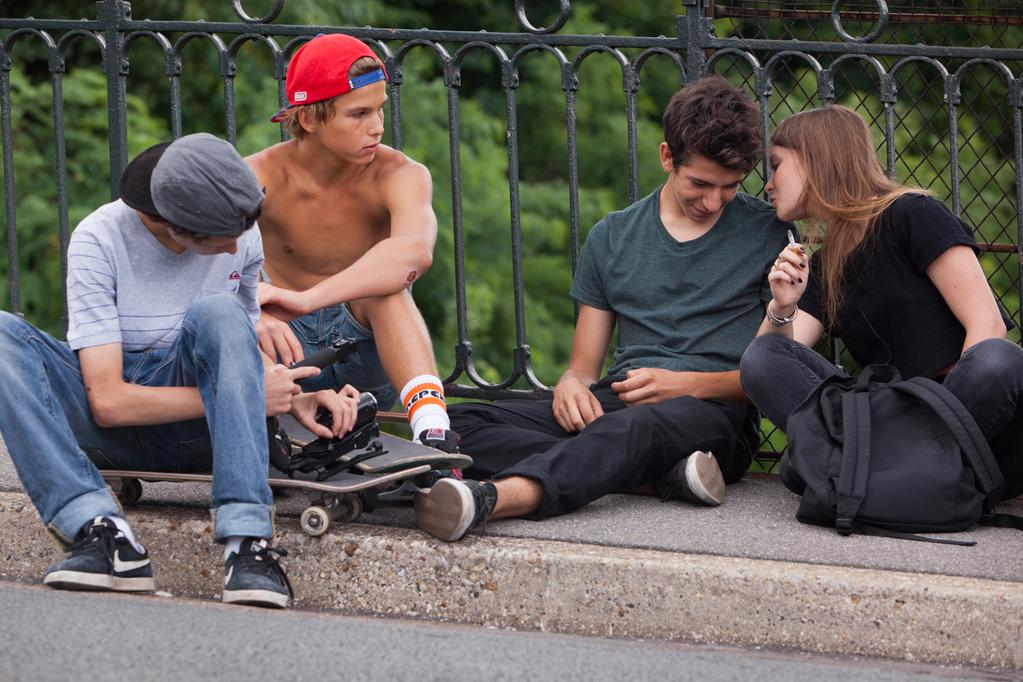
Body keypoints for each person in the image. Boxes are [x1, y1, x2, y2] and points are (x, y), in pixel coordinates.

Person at [414, 76, 794, 542]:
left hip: (714, 417)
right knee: (456, 422)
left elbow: (771, 381)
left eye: (730, 187)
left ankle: (496, 498)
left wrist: (683, 385)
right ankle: (654, 478)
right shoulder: (612, 236)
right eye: (700, 183)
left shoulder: (769, 236)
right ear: (667, 158)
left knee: (636, 429)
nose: (713, 202)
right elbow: (581, 369)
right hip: (619, 403)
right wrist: (571, 388)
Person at [0, 133, 362, 608]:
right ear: (172, 227)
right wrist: (251, 394)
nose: (237, 250)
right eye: (221, 240)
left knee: (219, 312)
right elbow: (107, 401)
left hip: (200, 435)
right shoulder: (99, 239)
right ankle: (98, 532)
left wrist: (293, 395)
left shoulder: (242, 232)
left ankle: (247, 546)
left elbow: (235, 344)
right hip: (108, 428)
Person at [739, 104, 1023, 501]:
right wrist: (782, 306)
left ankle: (865, 476)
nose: (767, 184)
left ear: (816, 160)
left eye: (776, 165)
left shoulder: (912, 213)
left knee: (999, 360)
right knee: (760, 357)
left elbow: (987, 328)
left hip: (966, 421)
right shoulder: (821, 265)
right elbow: (770, 359)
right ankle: (902, 482)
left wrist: (942, 416)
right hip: (888, 418)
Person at [246, 34, 458, 454]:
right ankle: (265, 428)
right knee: (246, 303)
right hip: (282, 351)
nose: (377, 126)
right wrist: (251, 304)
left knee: (386, 290)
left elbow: (414, 253)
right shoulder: (255, 176)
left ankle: (435, 435)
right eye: (359, 114)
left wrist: (307, 299)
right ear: (309, 119)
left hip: (360, 351)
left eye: (380, 109)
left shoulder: (401, 173)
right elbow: (208, 266)